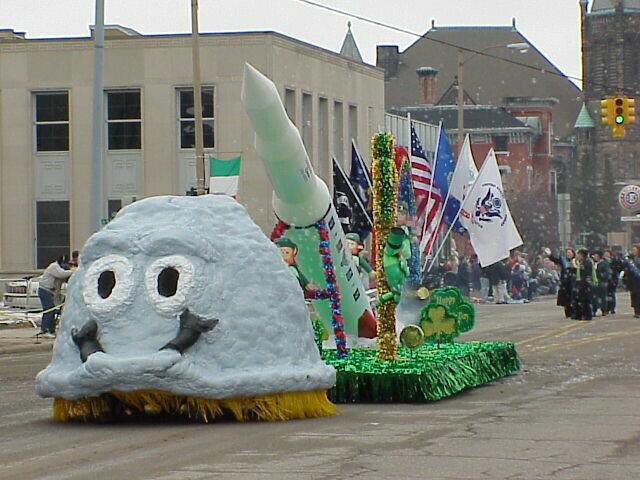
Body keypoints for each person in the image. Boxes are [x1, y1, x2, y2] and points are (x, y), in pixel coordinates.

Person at [38, 254, 73, 337]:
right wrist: (74, 271)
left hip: (51, 292)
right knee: (49, 310)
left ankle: (51, 330)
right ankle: (45, 330)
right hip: (44, 290)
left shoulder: (59, 269)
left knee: (52, 310)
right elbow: (62, 274)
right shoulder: (54, 267)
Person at [549, 248, 577, 318]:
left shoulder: (576, 261)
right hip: (565, 282)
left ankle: (574, 311)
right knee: (566, 299)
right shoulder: (563, 260)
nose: (568, 254)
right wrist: (550, 255)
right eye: (567, 253)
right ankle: (567, 312)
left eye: (570, 253)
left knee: (573, 297)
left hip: (573, 282)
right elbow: (555, 260)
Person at [572, 248, 594, 321]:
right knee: (582, 301)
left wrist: (582, 285)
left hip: (585, 285)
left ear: (581, 255)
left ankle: (587, 315)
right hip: (581, 283)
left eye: (578, 254)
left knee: (585, 301)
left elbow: (586, 275)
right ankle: (582, 315)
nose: (577, 256)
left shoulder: (586, 263)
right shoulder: (581, 262)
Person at [592, 250, 611, 316]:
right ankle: (594, 310)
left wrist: (599, 275)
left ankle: (604, 310)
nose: (595, 257)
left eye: (596, 256)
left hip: (602, 283)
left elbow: (606, 273)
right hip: (595, 283)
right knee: (594, 297)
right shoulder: (594, 263)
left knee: (603, 297)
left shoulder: (604, 263)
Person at [604, 248, 622, 314]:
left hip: (613, 279)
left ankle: (612, 308)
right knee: (606, 295)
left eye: (607, 254)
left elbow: (619, 268)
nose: (606, 255)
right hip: (606, 280)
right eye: (605, 254)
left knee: (612, 294)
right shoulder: (603, 261)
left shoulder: (614, 261)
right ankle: (606, 308)